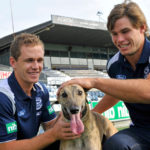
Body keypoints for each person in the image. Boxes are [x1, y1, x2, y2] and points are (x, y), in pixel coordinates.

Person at [58, 1, 150, 150]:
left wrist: (94, 81)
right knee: (114, 144)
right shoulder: (114, 64)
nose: (120, 39)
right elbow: (117, 93)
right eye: (114, 34)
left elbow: (148, 91)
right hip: (140, 130)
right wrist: (88, 115)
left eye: (125, 31)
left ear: (142, 28)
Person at [0, 33, 80, 150]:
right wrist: (53, 134)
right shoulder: (4, 96)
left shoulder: (41, 90)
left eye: (40, 60)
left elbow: (50, 126)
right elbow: (6, 147)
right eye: (29, 60)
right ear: (13, 63)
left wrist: (65, 115)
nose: (36, 66)